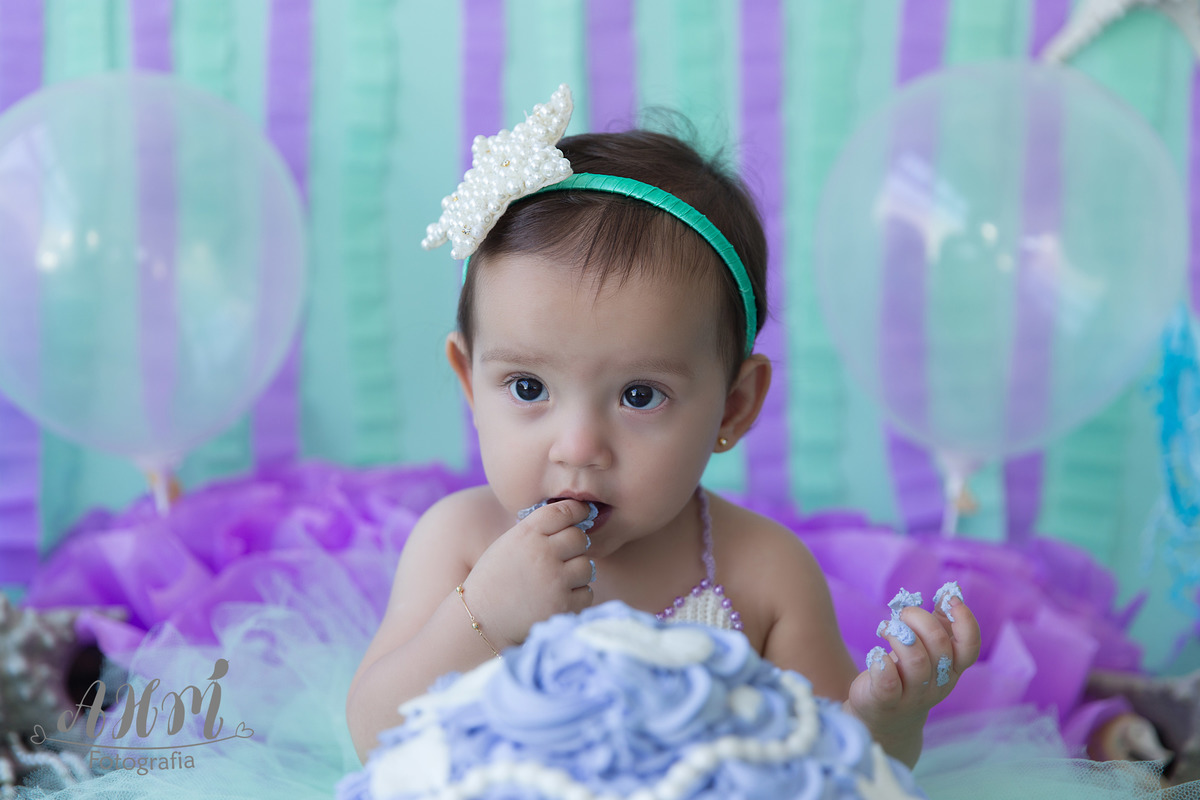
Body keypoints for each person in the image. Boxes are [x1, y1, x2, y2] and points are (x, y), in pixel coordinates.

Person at [344, 84, 982, 769]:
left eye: (639, 395)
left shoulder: (765, 573)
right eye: (528, 388)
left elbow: (834, 767)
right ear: (471, 383)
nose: (579, 447)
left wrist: (886, 719)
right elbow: (376, 739)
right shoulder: (461, 545)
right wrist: (482, 619)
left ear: (733, 408)